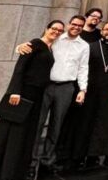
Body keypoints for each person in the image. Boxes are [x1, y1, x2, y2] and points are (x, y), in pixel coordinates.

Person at [0, 20, 64, 180]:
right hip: (23, 93)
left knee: (25, 135)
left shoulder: (50, 48)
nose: (56, 32)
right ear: (46, 29)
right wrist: (15, 91)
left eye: (59, 30)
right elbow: (20, 68)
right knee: (11, 134)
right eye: (53, 28)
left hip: (38, 95)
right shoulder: (34, 43)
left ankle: (14, 173)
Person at [36, 15, 88, 171]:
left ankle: (46, 160)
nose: (76, 27)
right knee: (38, 124)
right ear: (69, 24)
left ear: (82, 27)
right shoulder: (56, 38)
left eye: (80, 25)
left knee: (56, 126)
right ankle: (30, 161)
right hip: (47, 85)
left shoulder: (84, 46)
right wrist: (22, 46)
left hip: (66, 88)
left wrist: (83, 90)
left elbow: (83, 68)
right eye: (74, 24)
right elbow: (39, 45)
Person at [75, 21, 108, 167]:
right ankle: (80, 153)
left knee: (103, 123)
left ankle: (95, 155)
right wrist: (83, 89)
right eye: (107, 29)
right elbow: (84, 68)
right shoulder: (91, 47)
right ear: (102, 31)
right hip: (91, 89)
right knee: (87, 121)